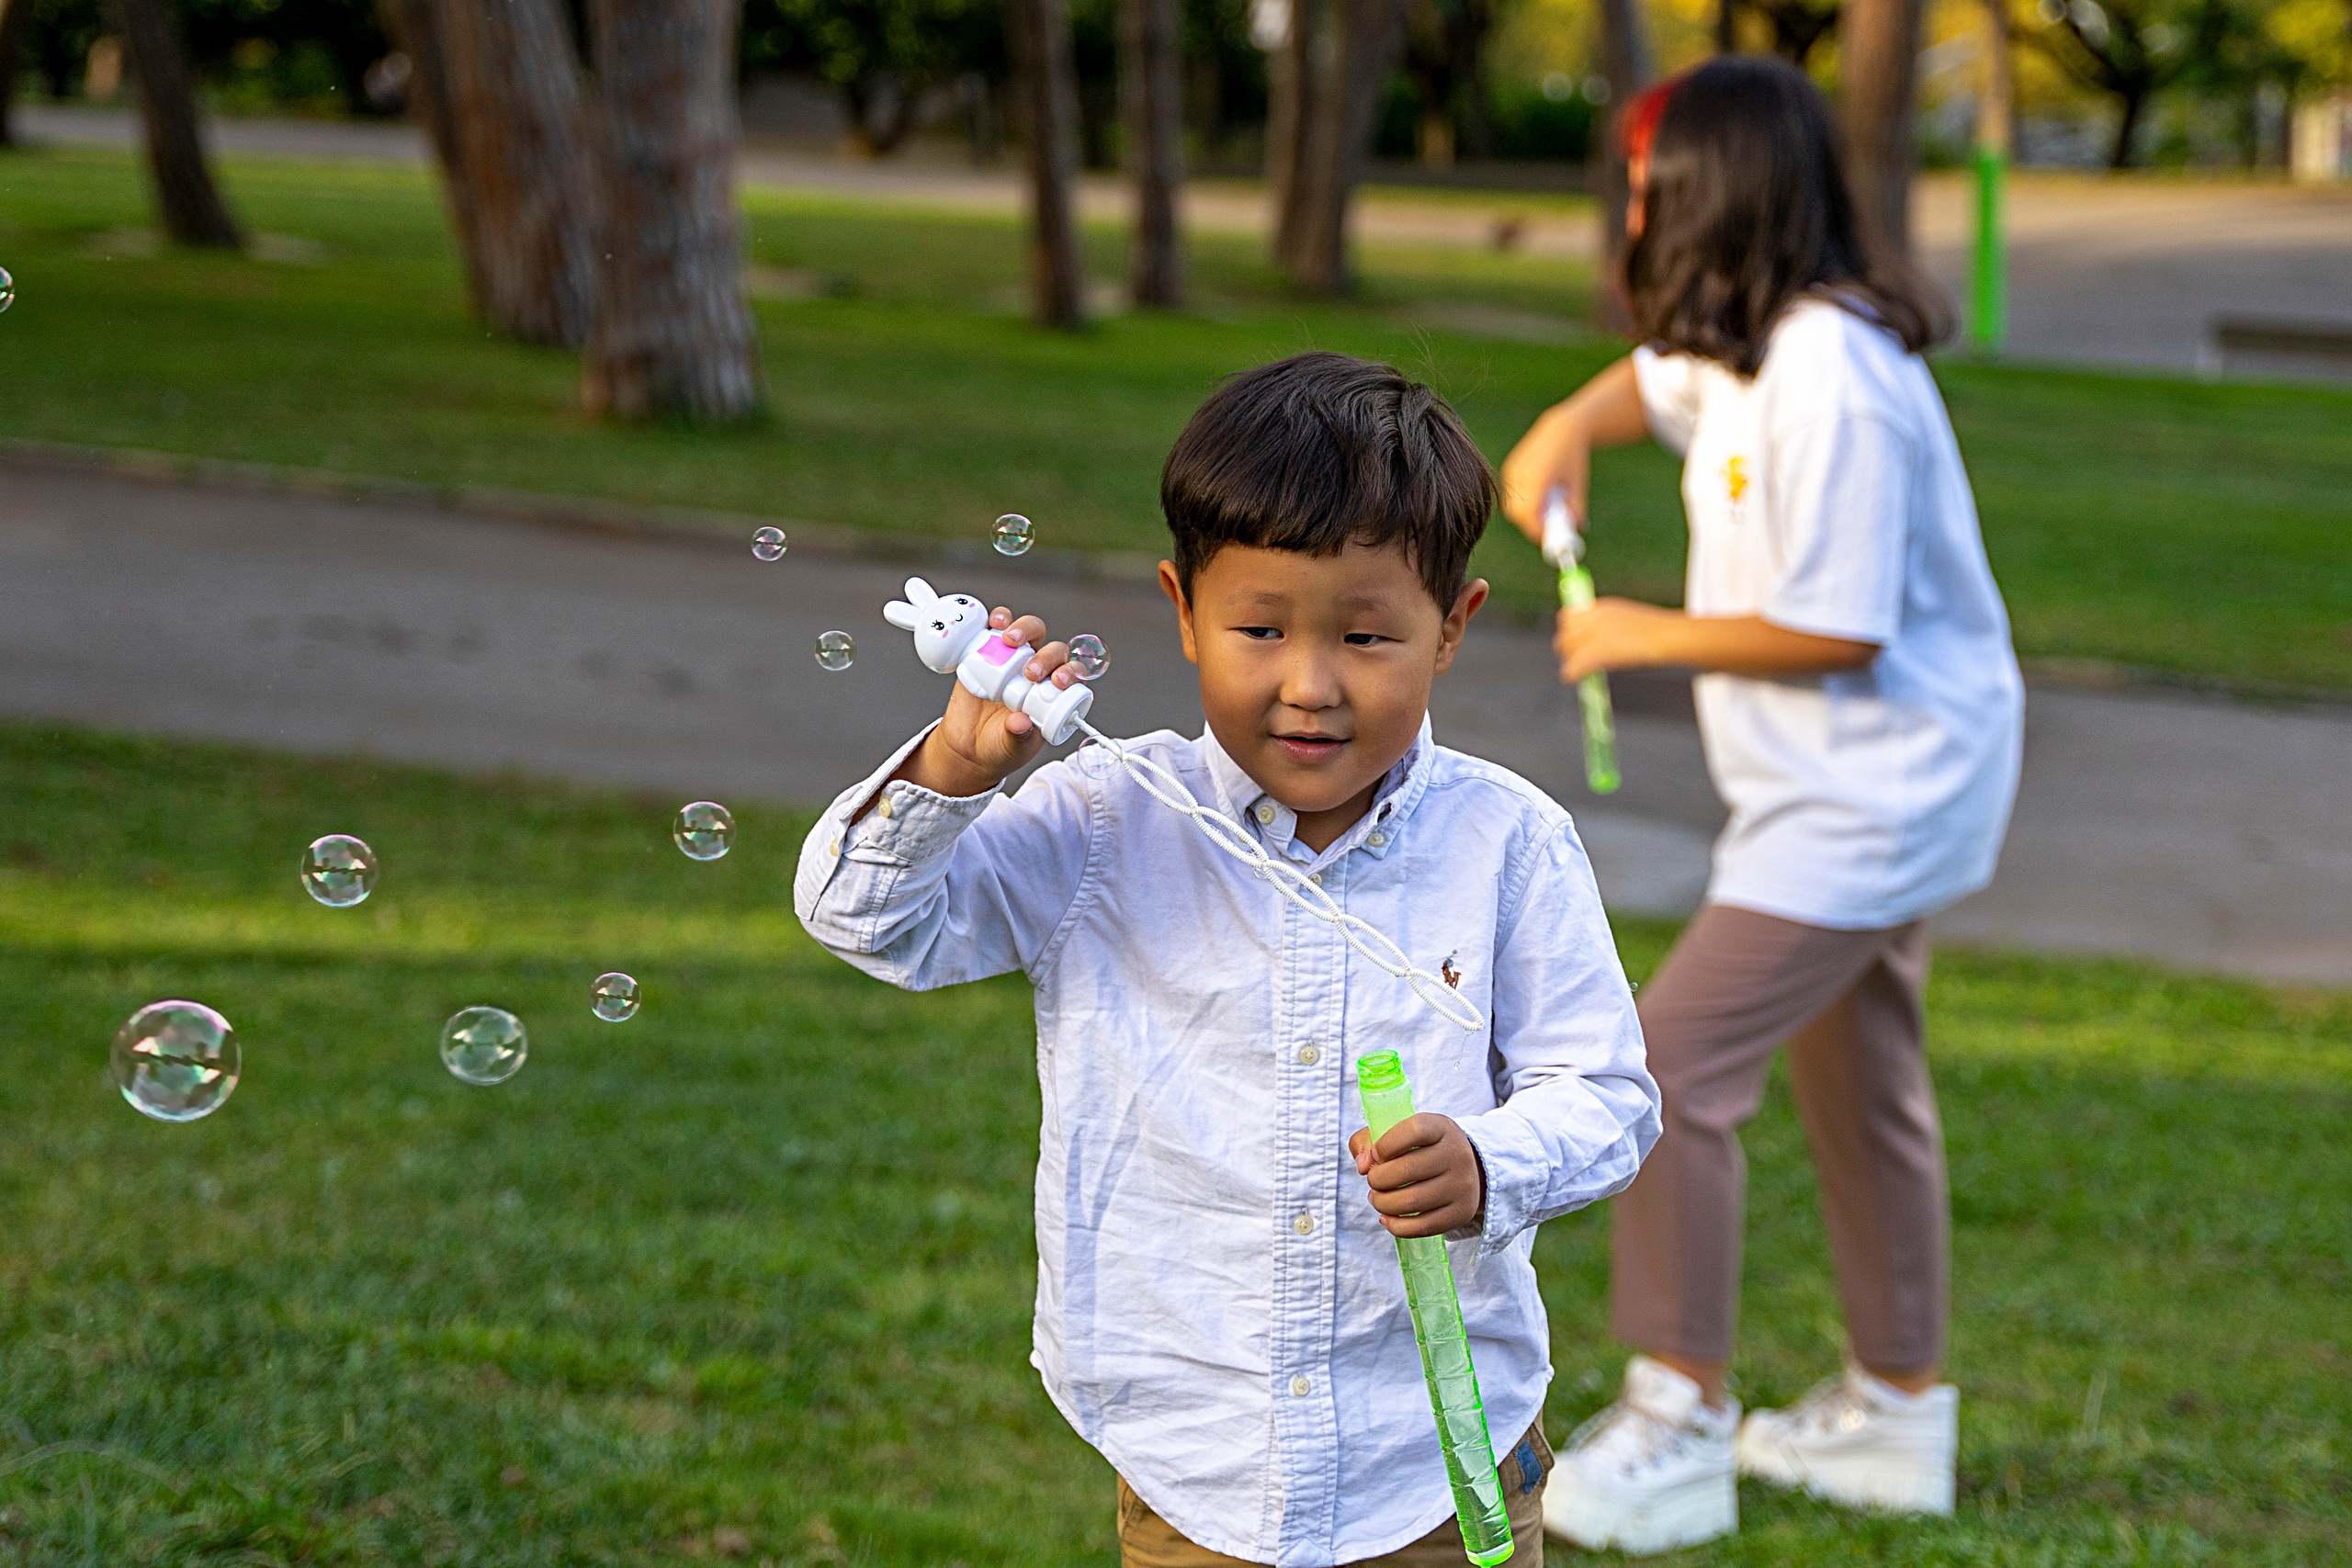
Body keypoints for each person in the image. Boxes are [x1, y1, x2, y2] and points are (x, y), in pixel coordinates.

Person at [797, 352, 1661, 1567]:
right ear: (1184, 609)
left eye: (1367, 636)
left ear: (1452, 629)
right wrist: (955, 771)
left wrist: (1488, 1160)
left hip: (1438, 1466)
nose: (1310, 687)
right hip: (1195, 1464)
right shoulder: (1104, 817)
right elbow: (865, 919)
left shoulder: (1508, 843)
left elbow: (1609, 1097)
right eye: (1260, 629)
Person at [1496, 56, 2024, 1556]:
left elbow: (1840, 625)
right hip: (1850, 792)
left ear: (1706, 198)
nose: (1634, 208)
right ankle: (1896, 1409)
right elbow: (1642, 384)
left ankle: (1675, 1421)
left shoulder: (1837, 376)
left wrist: (1644, 633)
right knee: (1859, 1079)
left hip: (1877, 797)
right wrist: (1564, 432)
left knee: (1663, 1072)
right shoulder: (1744, 349)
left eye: (1649, 185)